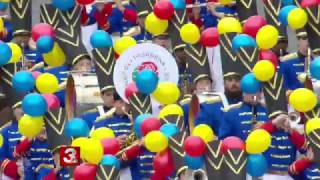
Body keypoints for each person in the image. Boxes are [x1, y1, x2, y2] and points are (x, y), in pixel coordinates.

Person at [0, 95, 25, 179]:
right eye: (20, 106)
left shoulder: (42, 128)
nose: (24, 109)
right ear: (13, 111)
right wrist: (16, 170)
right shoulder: (5, 131)